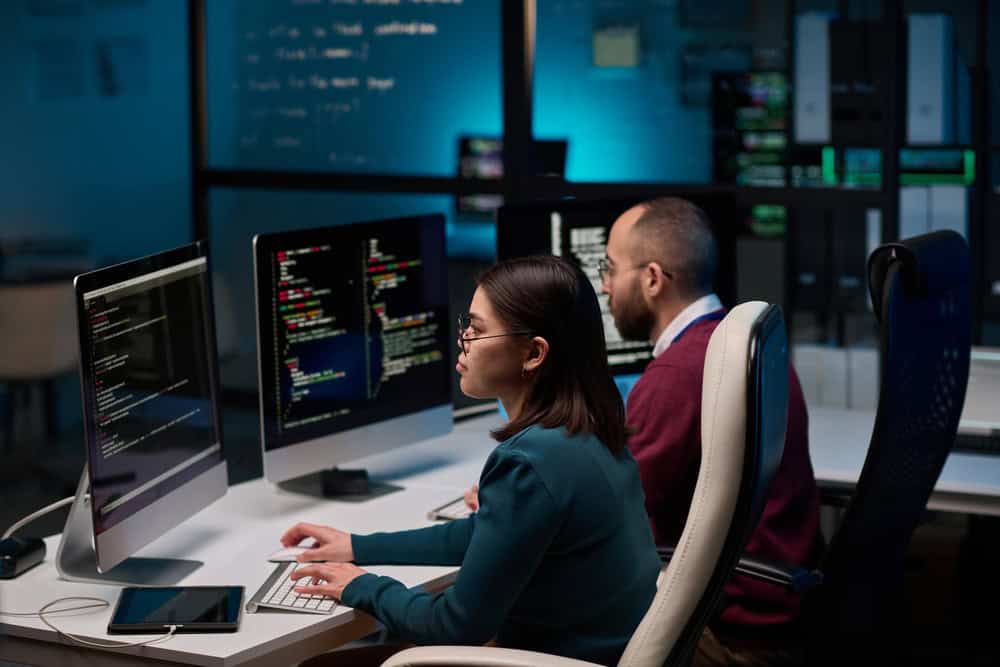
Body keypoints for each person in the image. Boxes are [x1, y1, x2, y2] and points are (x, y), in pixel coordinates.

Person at [281, 255, 661, 666]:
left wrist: (363, 586)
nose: (462, 339)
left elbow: (455, 626)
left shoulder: (530, 461)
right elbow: (485, 535)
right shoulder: (590, 429)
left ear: (534, 353)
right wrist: (357, 546)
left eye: (478, 330)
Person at [601, 197, 823, 666]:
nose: (604, 286)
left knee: (525, 614)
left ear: (652, 279)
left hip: (730, 635)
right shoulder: (749, 344)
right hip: (780, 610)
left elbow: (613, 522)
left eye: (609, 268)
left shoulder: (676, 376)